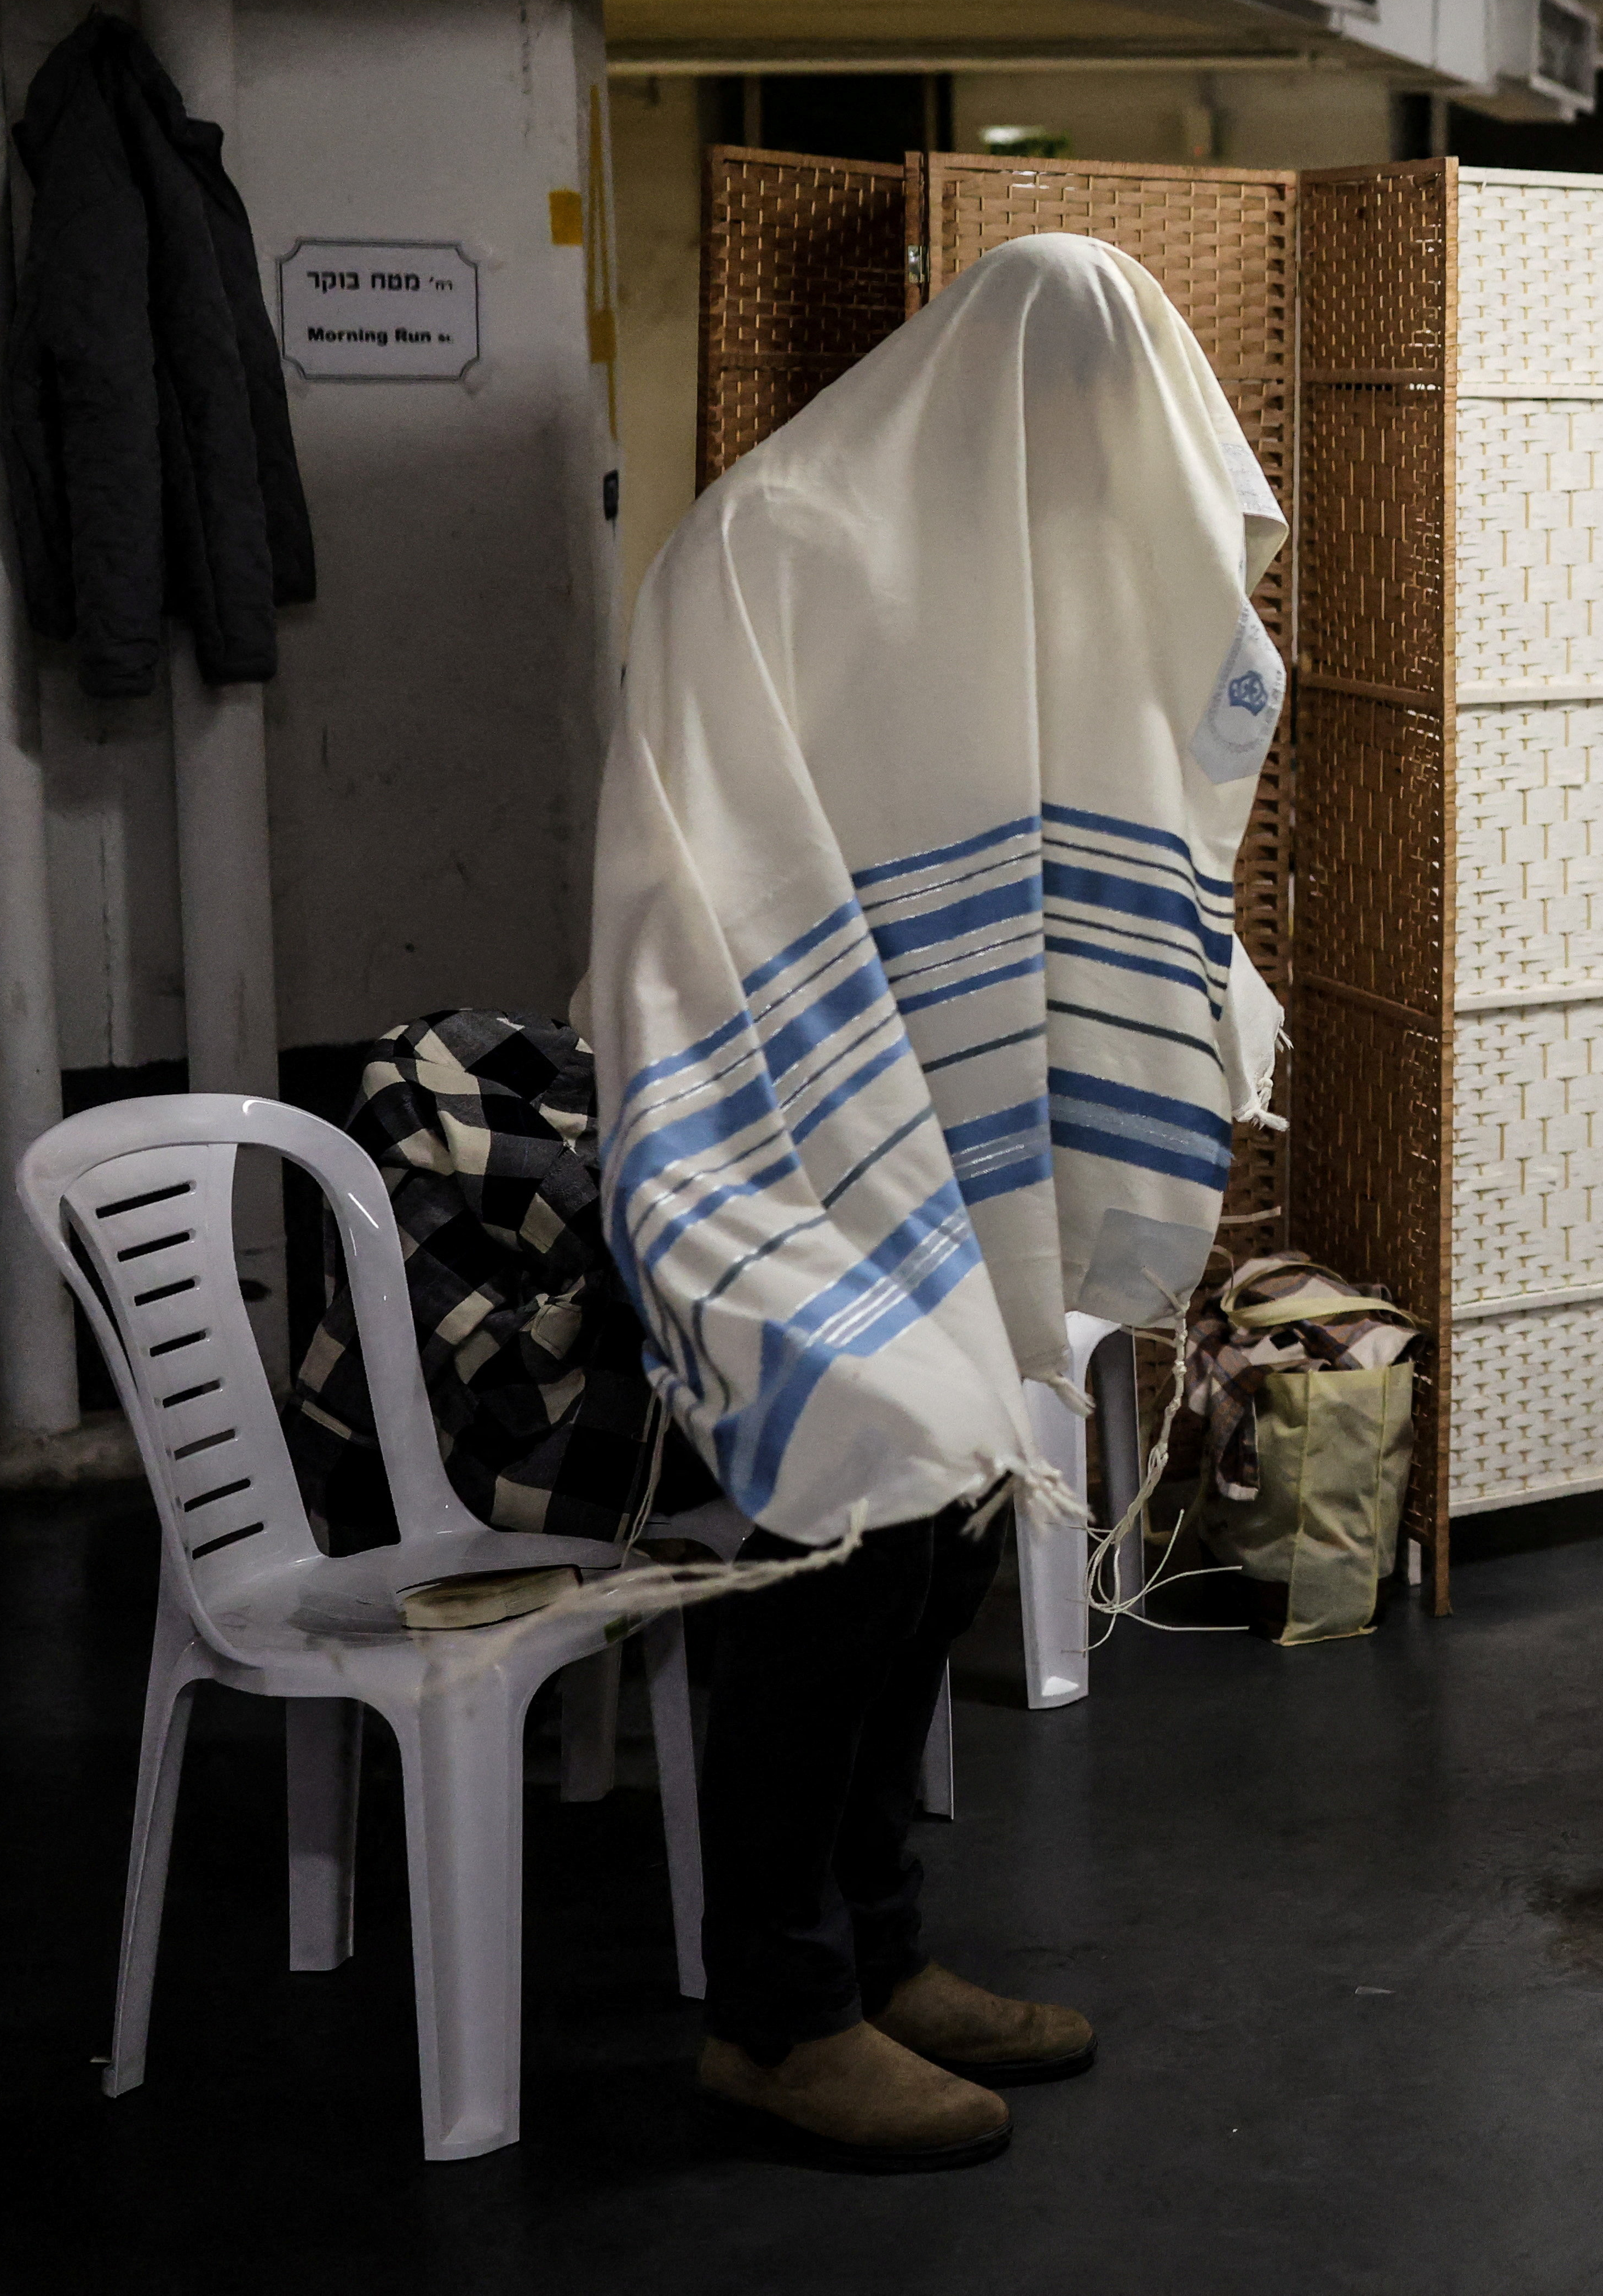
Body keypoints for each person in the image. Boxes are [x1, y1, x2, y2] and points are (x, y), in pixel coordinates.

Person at [593, 232, 1290, 2166]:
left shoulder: (1026, 566)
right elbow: (700, 851)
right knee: (864, 1484)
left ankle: (879, 1949)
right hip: (760, 1116)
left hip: (947, 1125)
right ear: (1004, 387)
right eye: (1078, 419)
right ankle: (776, 2007)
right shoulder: (778, 541)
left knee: (964, 1500)